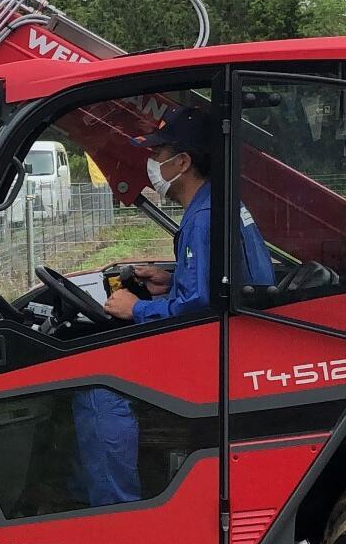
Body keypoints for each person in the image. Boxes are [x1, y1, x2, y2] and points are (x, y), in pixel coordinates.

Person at [70, 104, 276, 506]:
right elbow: (217, 284)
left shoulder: (205, 218)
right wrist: (172, 280)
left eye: (158, 155)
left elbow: (201, 307)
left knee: (97, 389)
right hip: (234, 339)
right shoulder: (217, 204)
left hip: (219, 354)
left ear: (182, 162)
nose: (152, 164)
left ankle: (114, 512)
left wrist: (136, 309)